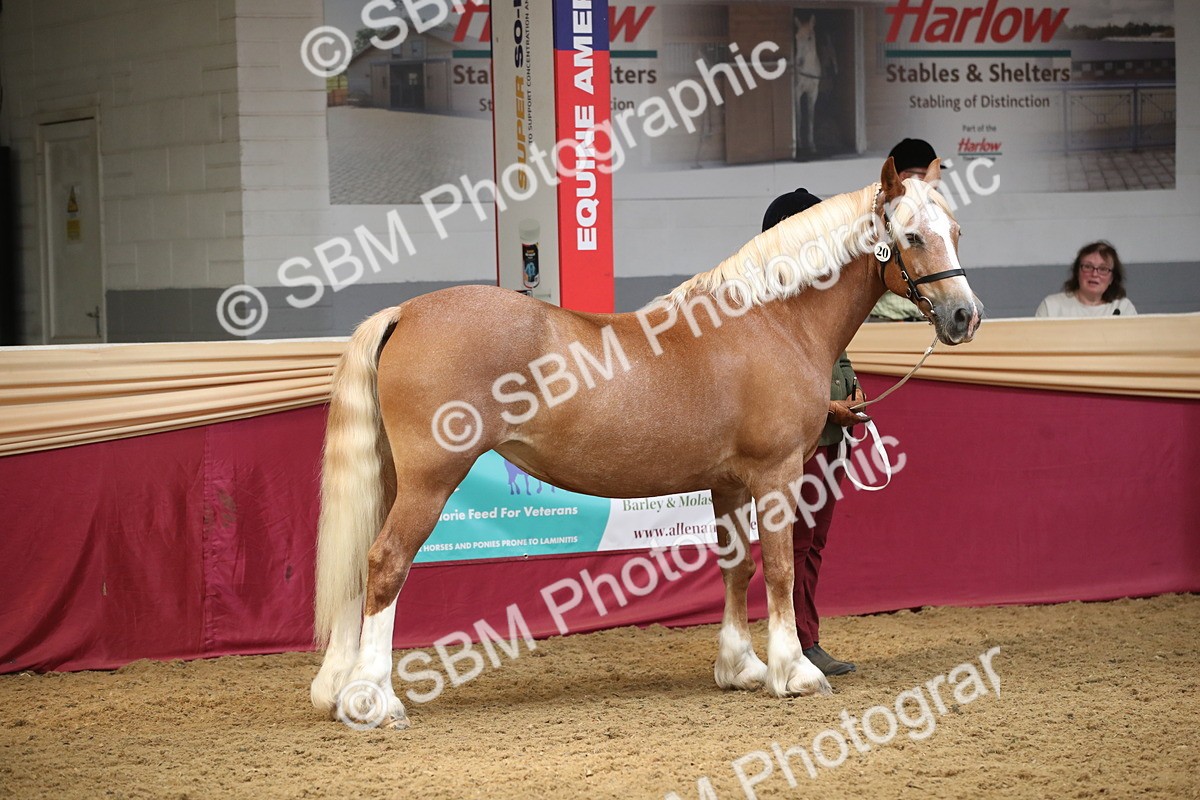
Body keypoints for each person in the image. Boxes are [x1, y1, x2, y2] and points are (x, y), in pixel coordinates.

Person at [761, 189, 867, 677]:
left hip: (827, 432)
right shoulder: (767, 298)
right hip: (795, 434)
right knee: (797, 539)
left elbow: (831, 357)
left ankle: (806, 636)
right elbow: (770, 377)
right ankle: (798, 642)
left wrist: (852, 387)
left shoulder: (816, 293)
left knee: (814, 539)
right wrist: (827, 406)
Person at [866, 138, 939, 321]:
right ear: (904, 176)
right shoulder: (876, 213)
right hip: (887, 322)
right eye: (925, 175)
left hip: (924, 322)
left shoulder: (930, 214)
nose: (933, 182)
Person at [1035, 241, 1136, 317]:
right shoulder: (1051, 306)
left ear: (1112, 278)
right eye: (1088, 267)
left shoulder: (1123, 308)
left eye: (1103, 269)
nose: (1094, 274)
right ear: (1077, 272)